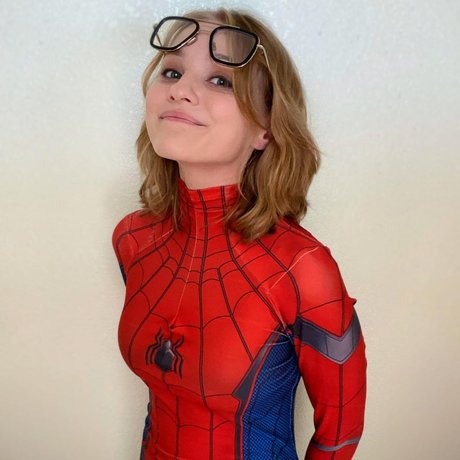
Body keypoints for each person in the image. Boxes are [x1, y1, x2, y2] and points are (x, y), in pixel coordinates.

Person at [112, 7, 367, 460]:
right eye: (172, 71)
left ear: (265, 129)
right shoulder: (133, 239)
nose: (180, 91)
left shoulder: (302, 269)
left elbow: (339, 437)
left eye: (220, 80)